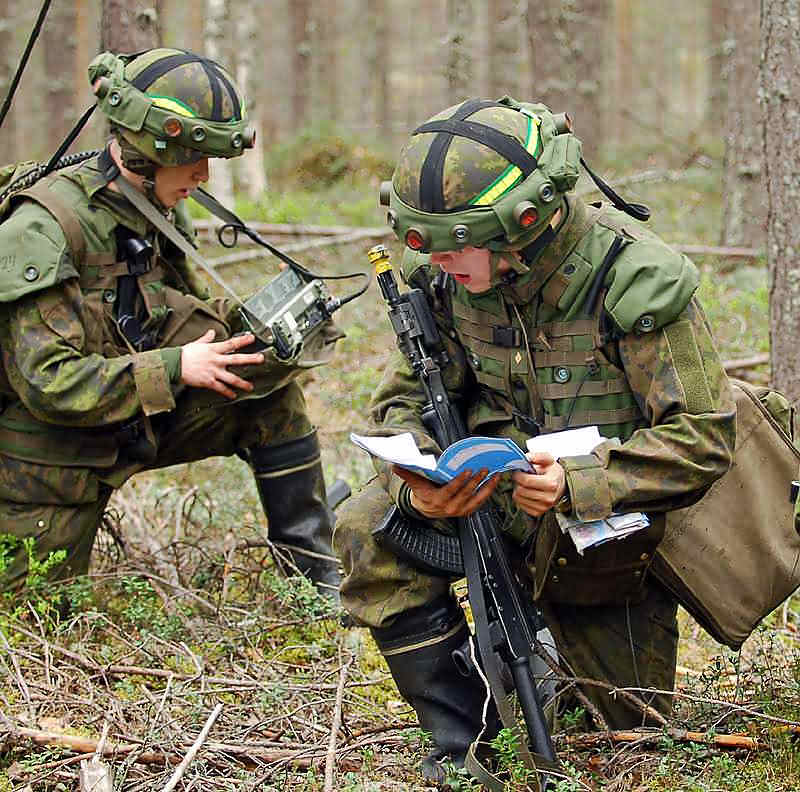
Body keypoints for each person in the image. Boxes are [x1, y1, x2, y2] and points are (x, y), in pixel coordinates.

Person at [333, 98, 736, 783]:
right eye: (426, 245)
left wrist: (580, 483)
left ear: (525, 220)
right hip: (492, 495)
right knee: (368, 526)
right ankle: (461, 743)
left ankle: (550, 649)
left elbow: (703, 438)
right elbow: (402, 397)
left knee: (624, 737)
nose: (437, 261)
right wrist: (417, 478)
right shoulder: (446, 277)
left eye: (456, 245)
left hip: (608, 528)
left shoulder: (630, 278)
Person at [0, 48, 342, 602]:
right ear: (150, 151)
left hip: (131, 420)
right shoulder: (44, 228)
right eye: (195, 160)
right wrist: (178, 366)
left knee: (269, 393)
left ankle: (315, 576)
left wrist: (256, 332)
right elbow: (48, 384)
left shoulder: (156, 205)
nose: (203, 177)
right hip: (50, 458)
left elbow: (181, 314)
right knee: (40, 620)